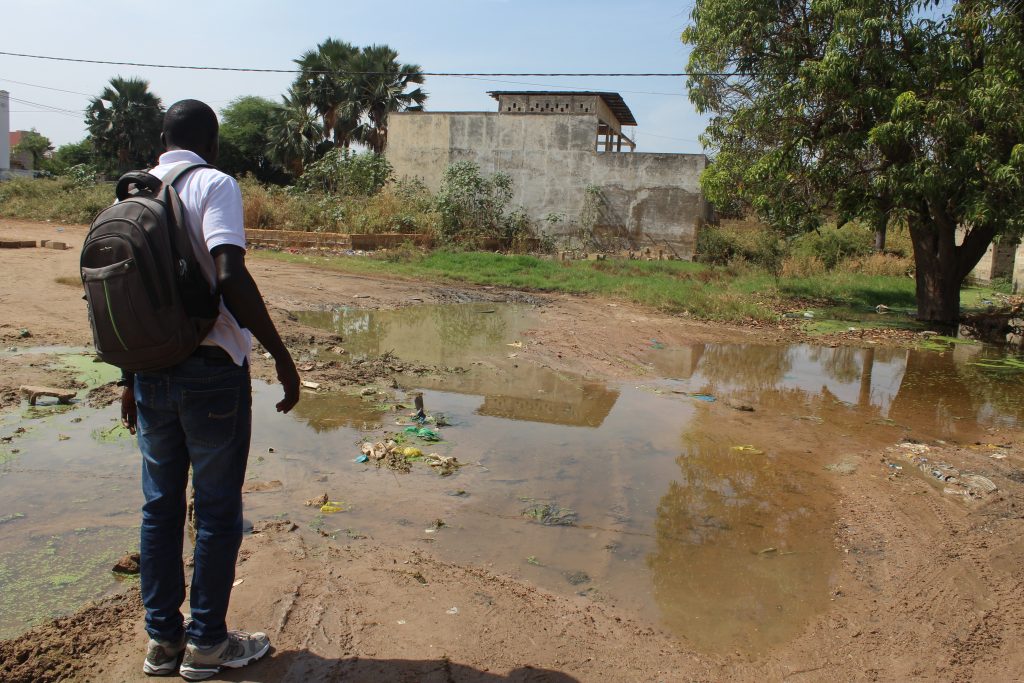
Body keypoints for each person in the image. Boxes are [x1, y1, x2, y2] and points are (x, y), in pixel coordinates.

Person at [119, 99, 301, 680]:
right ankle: (207, 646)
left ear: (163, 140)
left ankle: (162, 644)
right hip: (211, 368)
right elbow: (229, 274)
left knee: (159, 508)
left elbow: (128, 299)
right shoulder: (214, 184)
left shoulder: (132, 193)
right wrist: (280, 352)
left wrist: (129, 378)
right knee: (218, 511)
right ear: (211, 143)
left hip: (150, 370)